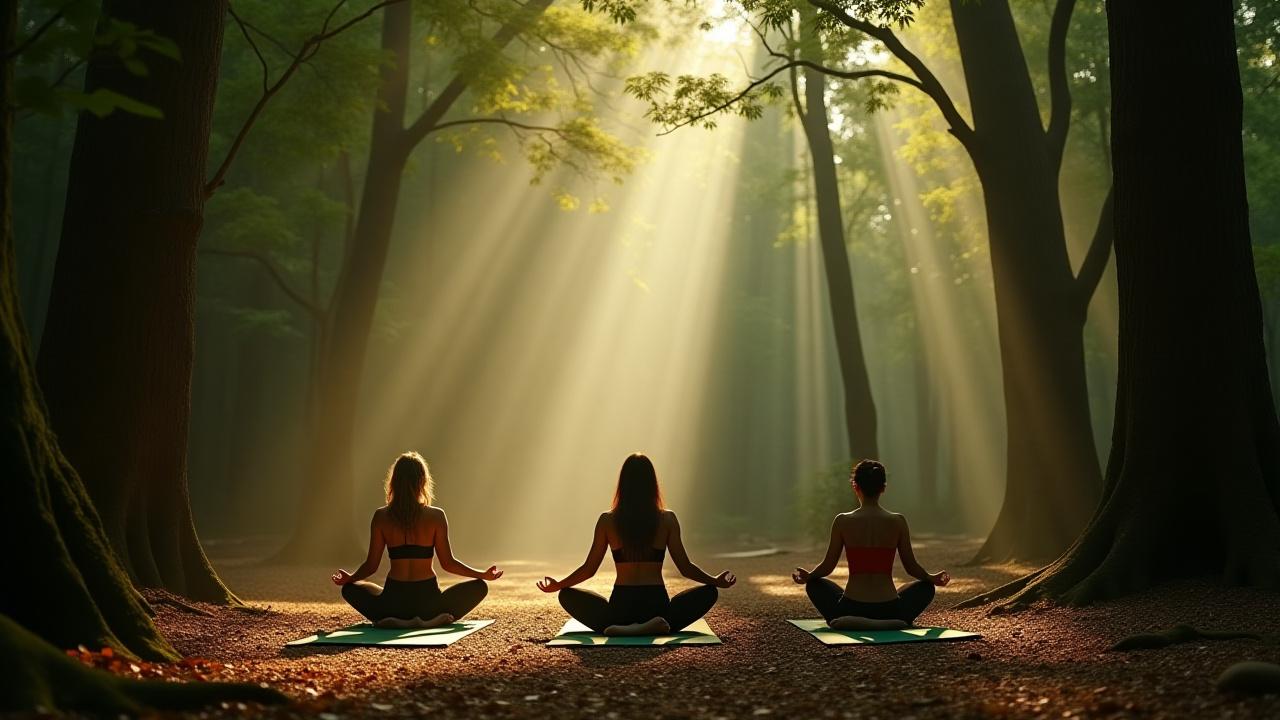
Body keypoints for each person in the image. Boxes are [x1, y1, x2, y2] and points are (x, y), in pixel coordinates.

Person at [537, 453, 736, 636]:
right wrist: (715, 581)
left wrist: (559, 585)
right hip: (656, 606)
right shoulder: (667, 519)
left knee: (566, 595)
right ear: (652, 484)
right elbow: (685, 568)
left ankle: (622, 628)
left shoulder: (607, 520)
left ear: (623, 484)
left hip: (620, 608)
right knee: (709, 592)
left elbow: (589, 569)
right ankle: (654, 626)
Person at [332, 452, 502, 628]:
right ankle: (432, 619)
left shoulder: (381, 516)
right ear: (422, 481)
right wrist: (482, 575)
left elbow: (371, 565)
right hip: (429, 602)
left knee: (350, 589)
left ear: (394, 482)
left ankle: (389, 619)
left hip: (393, 601)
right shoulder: (436, 515)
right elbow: (448, 563)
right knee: (480, 587)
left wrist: (350, 578)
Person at [793, 459, 949, 630]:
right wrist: (930, 578)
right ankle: (895, 622)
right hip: (890, 608)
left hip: (851, 606)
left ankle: (845, 619)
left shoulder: (842, 521)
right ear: (883, 488)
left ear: (855, 486)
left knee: (815, 585)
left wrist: (809, 576)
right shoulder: (897, 521)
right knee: (926, 588)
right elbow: (911, 567)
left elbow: (828, 566)